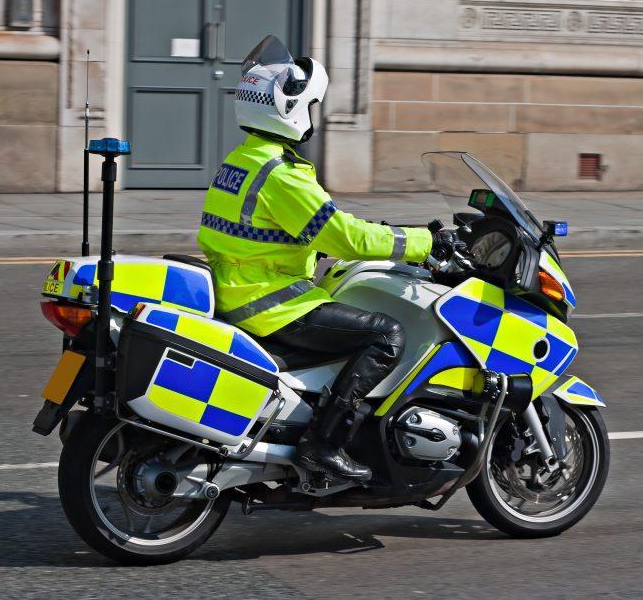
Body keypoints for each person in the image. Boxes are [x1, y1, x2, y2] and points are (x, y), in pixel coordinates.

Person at [197, 35, 460, 481]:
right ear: (288, 108)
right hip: (271, 302)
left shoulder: (243, 160)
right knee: (386, 336)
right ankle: (322, 445)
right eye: (312, 106)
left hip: (240, 287)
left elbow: (285, 229)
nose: (313, 116)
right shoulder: (281, 173)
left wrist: (358, 234)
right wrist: (423, 242)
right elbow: (345, 236)